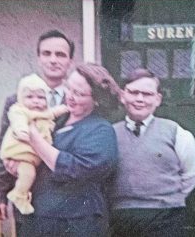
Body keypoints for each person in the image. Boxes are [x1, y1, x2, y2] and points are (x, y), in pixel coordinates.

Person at [6, 63, 120, 237]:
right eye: (69, 88)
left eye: (79, 93)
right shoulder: (55, 121)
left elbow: (77, 168)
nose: (70, 97)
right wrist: (17, 164)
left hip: (76, 223)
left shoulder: (101, 129)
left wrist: (34, 137)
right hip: (38, 218)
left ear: (97, 99)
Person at [109, 68, 195, 237]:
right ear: (123, 96)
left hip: (165, 217)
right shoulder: (109, 134)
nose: (139, 99)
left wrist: (167, 197)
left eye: (147, 94)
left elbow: (192, 174)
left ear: (158, 99)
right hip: (121, 218)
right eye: (134, 92)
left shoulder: (175, 132)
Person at [0, 30, 74, 228]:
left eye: (61, 55)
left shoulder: (76, 100)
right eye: (47, 54)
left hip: (67, 195)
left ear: (70, 61)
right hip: (31, 194)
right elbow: (2, 147)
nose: (53, 60)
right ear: (38, 58)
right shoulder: (16, 102)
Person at [0, 73, 68, 215]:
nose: (36, 101)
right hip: (19, 153)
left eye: (41, 98)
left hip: (37, 162)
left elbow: (52, 113)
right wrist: (22, 130)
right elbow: (18, 121)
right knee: (28, 174)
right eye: (29, 97)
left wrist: (64, 108)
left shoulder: (44, 112)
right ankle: (19, 195)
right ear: (20, 98)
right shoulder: (19, 109)